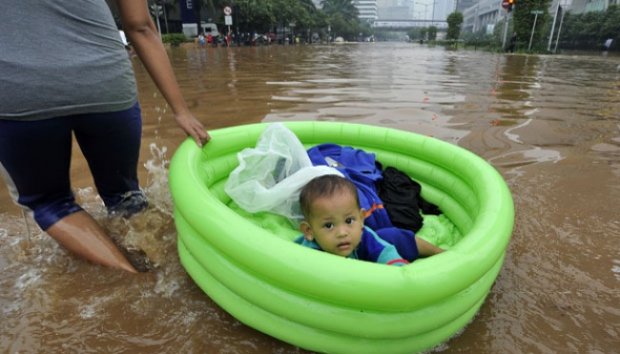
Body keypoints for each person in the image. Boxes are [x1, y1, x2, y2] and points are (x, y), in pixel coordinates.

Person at [0, 1, 210, 273]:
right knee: (124, 194)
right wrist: (181, 111)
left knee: (50, 202)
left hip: (22, 91)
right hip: (108, 86)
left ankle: (132, 278)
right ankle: (165, 268)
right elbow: (141, 26)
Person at [295, 175, 444, 265]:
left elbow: (387, 253)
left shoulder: (364, 236)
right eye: (329, 225)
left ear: (361, 219)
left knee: (394, 236)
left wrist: (400, 272)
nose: (342, 233)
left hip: (367, 256)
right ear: (309, 231)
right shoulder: (307, 254)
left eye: (349, 221)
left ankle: (440, 253)